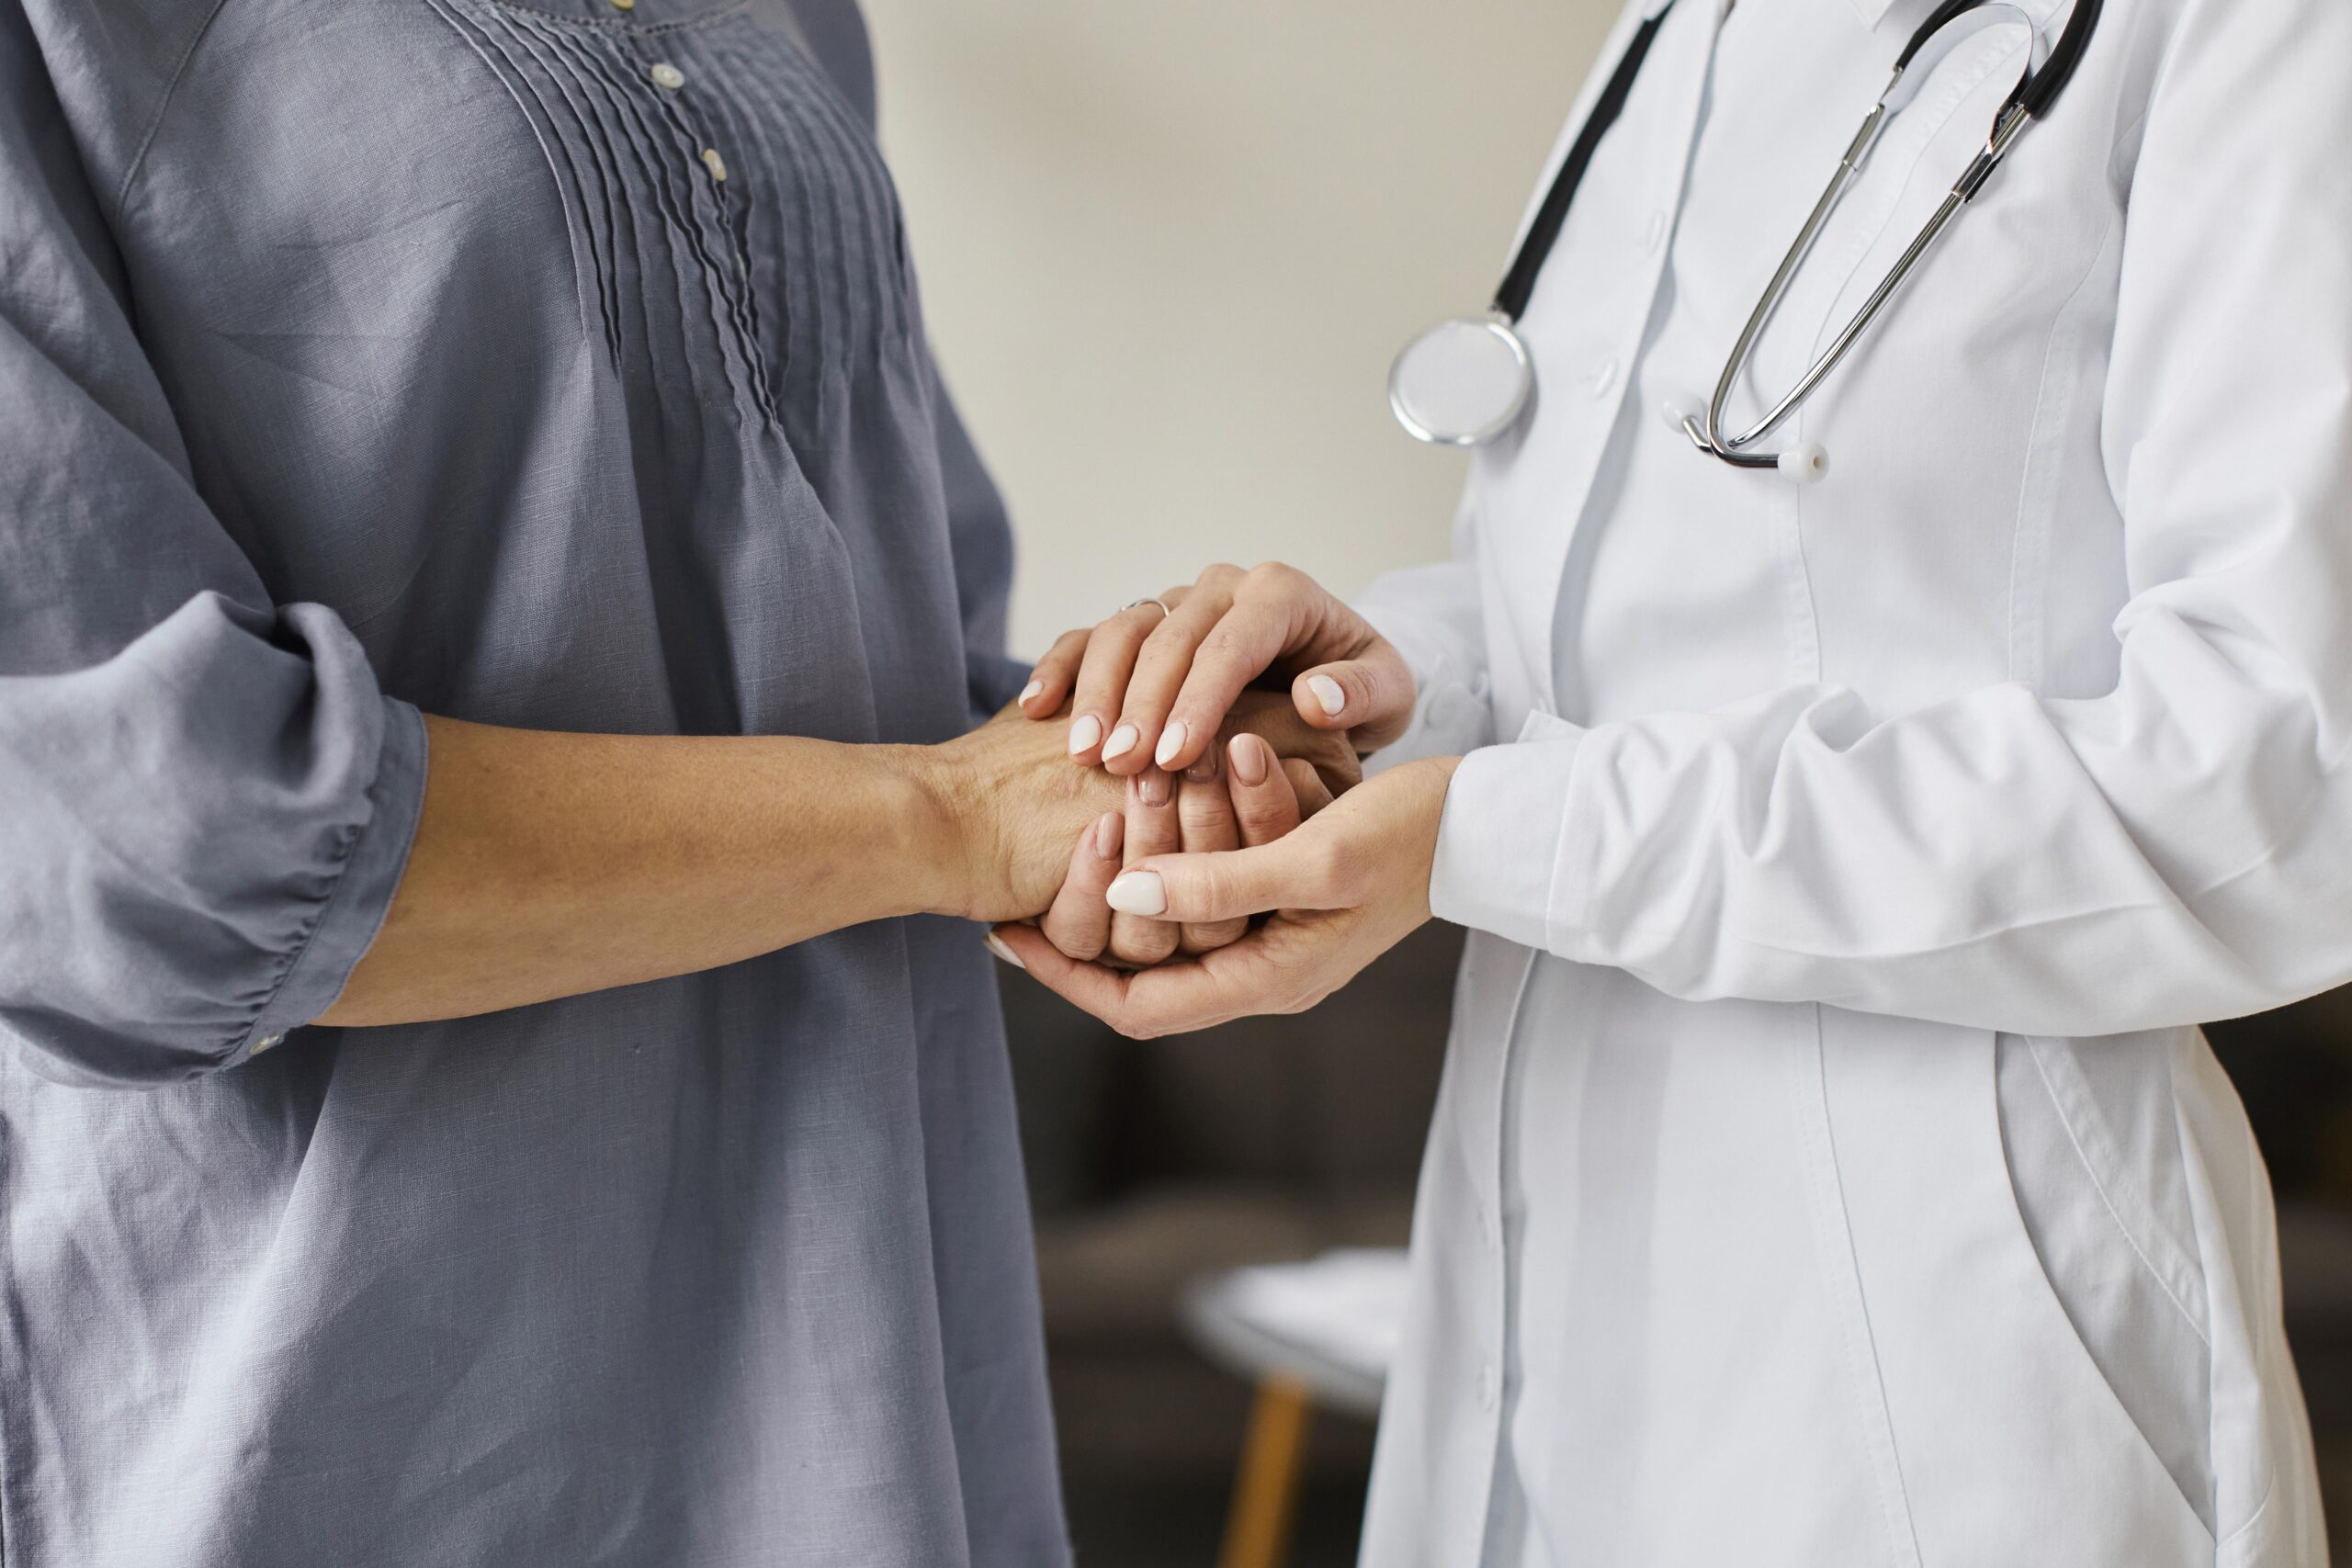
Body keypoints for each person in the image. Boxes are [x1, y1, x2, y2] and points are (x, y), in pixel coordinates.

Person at [995, 0, 2352, 1561]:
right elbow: (1613, 624)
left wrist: (1503, 832)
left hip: (1944, 1358)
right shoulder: (1679, 24)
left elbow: (2278, 783)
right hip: (1533, 1312)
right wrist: (1353, 706)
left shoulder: (2241, 29)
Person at [0, 2, 1346, 1563]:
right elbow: (132, 846)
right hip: (367, 1420)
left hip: (870, 1392)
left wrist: (1164, 747)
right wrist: (950, 820)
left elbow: (898, 656)